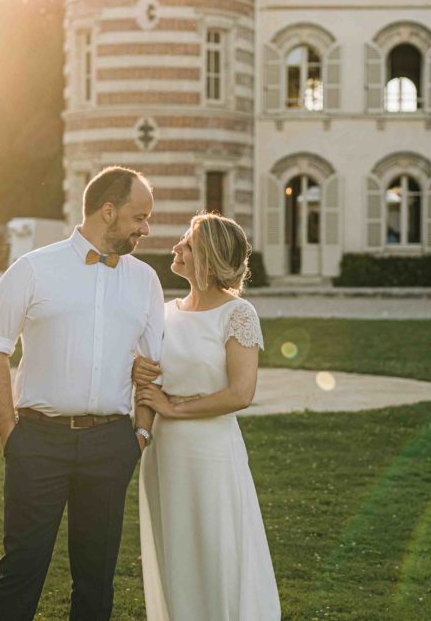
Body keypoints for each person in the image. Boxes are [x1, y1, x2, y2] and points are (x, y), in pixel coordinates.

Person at [0, 166, 165, 621]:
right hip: (39, 443)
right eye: (139, 217)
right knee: (21, 572)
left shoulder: (145, 281)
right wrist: (12, 437)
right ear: (108, 211)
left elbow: (153, 368)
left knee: (97, 579)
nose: (146, 228)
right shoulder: (32, 270)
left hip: (110, 445)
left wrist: (138, 436)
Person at [133, 213, 281, 621]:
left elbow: (240, 392)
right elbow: (146, 382)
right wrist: (142, 429)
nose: (176, 248)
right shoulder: (164, 312)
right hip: (164, 453)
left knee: (216, 546)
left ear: (210, 259)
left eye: (188, 244)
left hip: (211, 452)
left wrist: (174, 408)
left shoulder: (238, 314)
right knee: (174, 548)